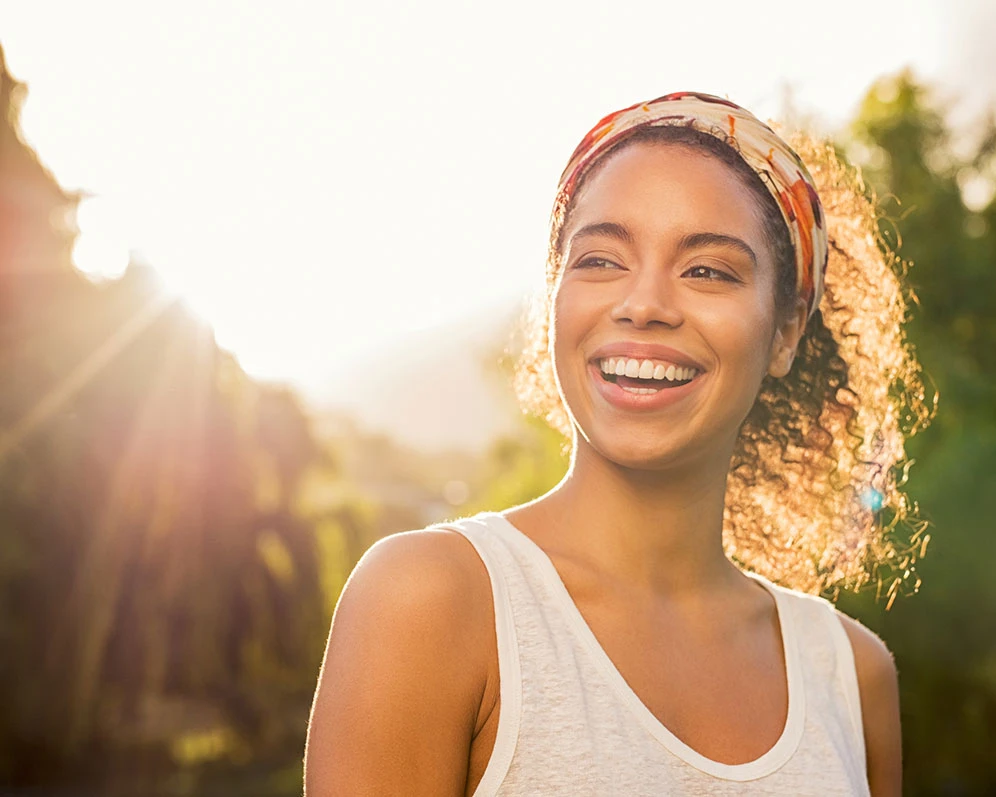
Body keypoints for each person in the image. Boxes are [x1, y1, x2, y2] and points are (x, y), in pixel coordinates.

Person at [304, 92, 928, 796]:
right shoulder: (431, 601)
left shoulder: (851, 675)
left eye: (708, 270)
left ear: (784, 331)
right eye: (600, 260)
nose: (644, 304)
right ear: (556, 297)